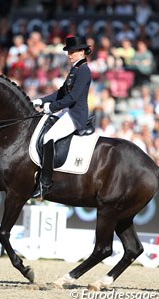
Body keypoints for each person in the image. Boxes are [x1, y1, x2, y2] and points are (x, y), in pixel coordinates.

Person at [31, 36, 92, 199]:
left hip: (75, 115)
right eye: (69, 52)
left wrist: (51, 107)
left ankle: (45, 184)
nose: (69, 55)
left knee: (48, 137)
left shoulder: (84, 71)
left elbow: (72, 98)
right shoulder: (75, 69)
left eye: (72, 52)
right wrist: (41, 100)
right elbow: (61, 92)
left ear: (81, 52)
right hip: (67, 112)